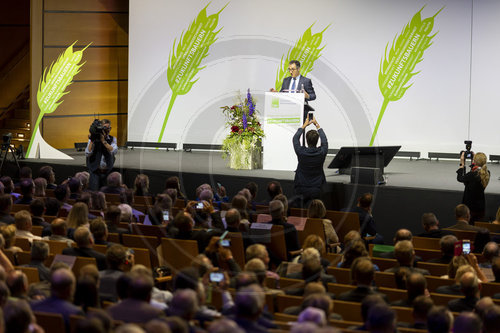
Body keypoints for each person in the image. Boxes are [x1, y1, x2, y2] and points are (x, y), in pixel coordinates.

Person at [292, 116, 328, 206]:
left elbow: (295, 139)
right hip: (316, 188)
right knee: (314, 212)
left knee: (299, 213)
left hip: (301, 187)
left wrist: (304, 125)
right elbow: (325, 141)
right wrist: (317, 125)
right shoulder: (321, 152)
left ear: (307, 140)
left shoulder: (301, 152)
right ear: (317, 140)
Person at [457, 151, 490, 223]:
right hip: (480, 206)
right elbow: (473, 174)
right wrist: (474, 161)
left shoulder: (472, 175)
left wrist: (462, 164)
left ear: (475, 161)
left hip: (470, 207)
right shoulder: (487, 173)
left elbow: (460, 178)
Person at [86, 118, 118, 191]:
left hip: (107, 172)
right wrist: (92, 141)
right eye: (104, 127)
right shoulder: (93, 139)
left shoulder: (112, 139)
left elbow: (114, 151)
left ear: (110, 128)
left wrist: (103, 141)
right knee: (94, 193)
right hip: (95, 172)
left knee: (106, 194)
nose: (107, 130)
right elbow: (87, 153)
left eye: (108, 128)